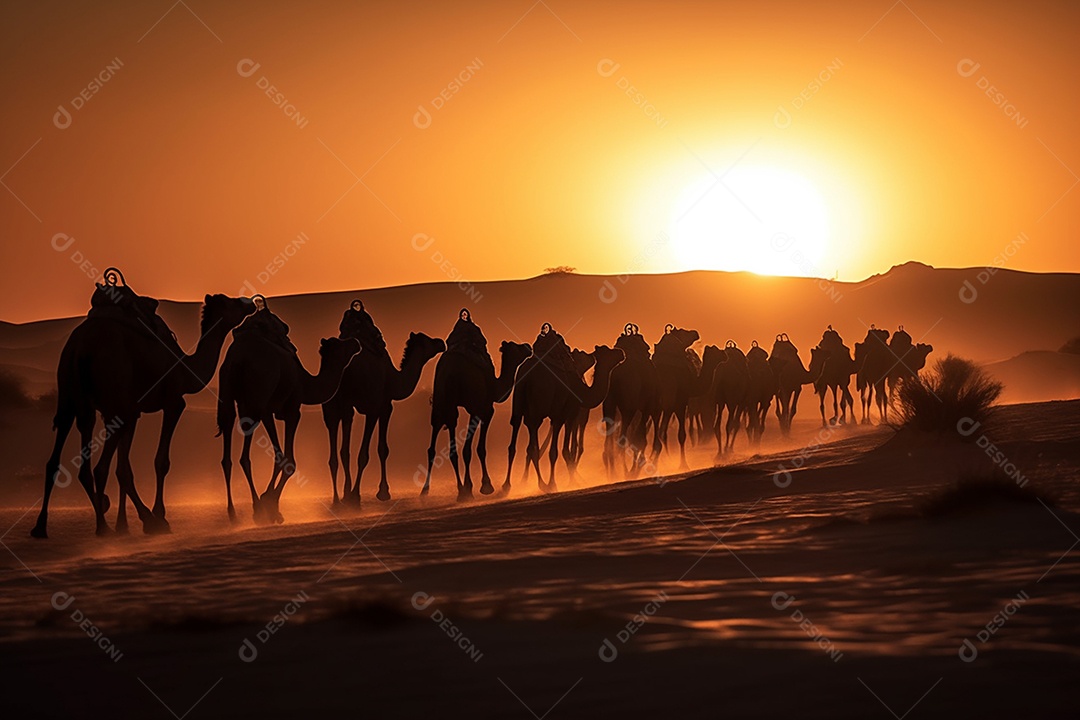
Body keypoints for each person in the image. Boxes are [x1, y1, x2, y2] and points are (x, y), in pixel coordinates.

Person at [446, 308, 495, 375]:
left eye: (465, 314)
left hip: (469, 348)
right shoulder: (459, 328)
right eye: (463, 315)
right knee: (486, 365)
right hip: (465, 349)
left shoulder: (472, 327)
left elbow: (482, 340)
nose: (464, 316)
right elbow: (450, 340)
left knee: (486, 362)